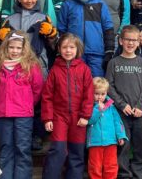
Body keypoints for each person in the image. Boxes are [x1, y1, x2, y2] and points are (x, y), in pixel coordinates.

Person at [0, 31, 44, 178]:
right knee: (6, 148)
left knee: (22, 148)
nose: (15, 51)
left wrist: (27, 105)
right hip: (3, 114)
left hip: (23, 115)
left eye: (18, 48)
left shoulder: (31, 66)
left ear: (24, 49)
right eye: (11, 47)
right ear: (5, 47)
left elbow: (37, 89)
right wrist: (0, 104)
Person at [41, 34, 94, 179]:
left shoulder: (84, 69)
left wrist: (85, 115)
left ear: (78, 49)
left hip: (78, 118)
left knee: (76, 152)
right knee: (57, 150)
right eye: (64, 47)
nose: (68, 50)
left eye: (72, 47)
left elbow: (89, 95)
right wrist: (47, 118)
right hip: (59, 117)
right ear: (59, 49)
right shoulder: (54, 70)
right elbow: (47, 96)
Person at [106, 25, 142, 179]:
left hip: (140, 113)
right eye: (127, 40)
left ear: (139, 42)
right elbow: (109, 86)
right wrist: (122, 105)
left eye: (134, 40)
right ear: (121, 41)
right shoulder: (113, 63)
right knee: (123, 146)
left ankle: (140, 174)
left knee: (140, 146)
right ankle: (124, 174)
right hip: (121, 113)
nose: (130, 43)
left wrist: (140, 106)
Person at [58, 0, 115, 77]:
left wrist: (109, 50)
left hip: (96, 54)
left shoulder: (99, 3)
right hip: (74, 53)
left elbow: (108, 28)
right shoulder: (68, 4)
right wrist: (62, 49)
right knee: (76, 85)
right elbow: (61, 29)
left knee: (96, 85)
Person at [0, 0, 57, 76]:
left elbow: (53, 45)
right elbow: (3, 45)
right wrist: (1, 38)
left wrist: (51, 34)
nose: (29, 0)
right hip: (15, 65)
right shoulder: (10, 20)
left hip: (39, 63)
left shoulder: (43, 18)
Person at [87, 77, 128, 179]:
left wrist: (121, 136)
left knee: (111, 166)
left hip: (111, 141)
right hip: (95, 142)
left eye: (102, 94)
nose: (100, 97)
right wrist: (98, 109)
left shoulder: (111, 107)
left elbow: (117, 122)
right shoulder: (89, 106)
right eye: (96, 94)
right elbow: (90, 120)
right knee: (95, 167)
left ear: (106, 93)